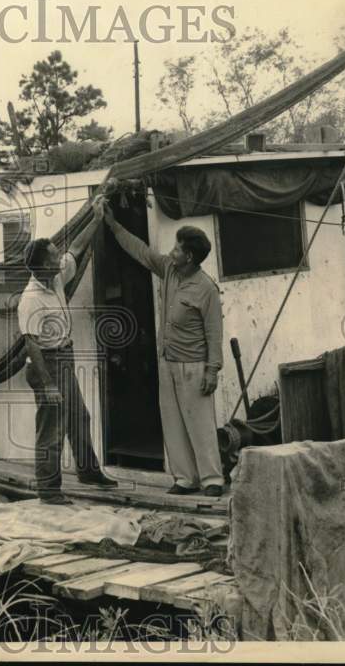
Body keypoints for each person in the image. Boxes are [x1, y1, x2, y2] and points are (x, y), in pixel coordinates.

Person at [94, 196, 225, 497]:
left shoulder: (206, 289)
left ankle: (211, 479)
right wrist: (112, 224)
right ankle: (184, 479)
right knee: (173, 421)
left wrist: (212, 370)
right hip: (167, 361)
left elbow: (214, 332)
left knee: (200, 423)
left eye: (178, 248)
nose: (172, 250)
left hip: (194, 366)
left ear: (189, 257)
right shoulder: (168, 269)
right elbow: (140, 251)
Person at [18, 210, 117, 505]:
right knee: (52, 427)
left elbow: (76, 247)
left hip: (63, 358)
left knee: (78, 417)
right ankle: (48, 490)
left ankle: (88, 472)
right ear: (41, 268)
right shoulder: (31, 299)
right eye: (53, 257)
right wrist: (48, 385)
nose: (60, 258)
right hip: (45, 364)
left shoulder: (55, 276)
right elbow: (31, 345)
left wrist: (97, 218)